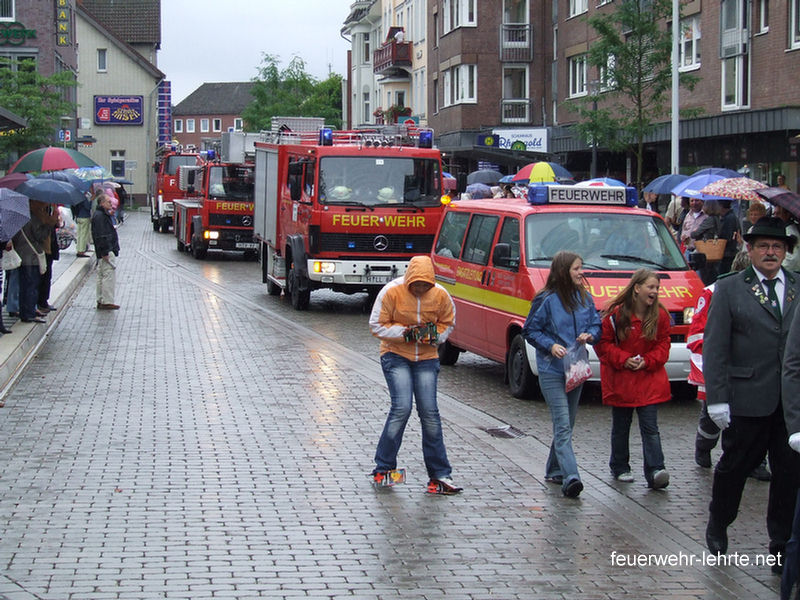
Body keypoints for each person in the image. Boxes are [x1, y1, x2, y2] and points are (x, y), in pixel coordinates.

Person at [703, 216, 800, 570]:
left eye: (777, 247)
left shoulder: (797, 286)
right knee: (734, 467)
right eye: (763, 246)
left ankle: (781, 543)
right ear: (751, 249)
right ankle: (719, 520)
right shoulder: (730, 288)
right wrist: (717, 397)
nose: (771, 253)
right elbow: (716, 348)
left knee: (789, 475)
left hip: (790, 403)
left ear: (786, 251)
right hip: (746, 398)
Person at [368, 255, 461, 494]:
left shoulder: (440, 294)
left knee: (429, 412)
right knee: (401, 408)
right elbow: (376, 325)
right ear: (409, 280)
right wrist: (406, 333)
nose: (420, 290)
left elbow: (448, 323)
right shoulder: (391, 292)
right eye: (416, 285)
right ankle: (384, 467)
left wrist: (435, 336)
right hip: (395, 355)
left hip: (427, 358)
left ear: (431, 282)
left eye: (424, 286)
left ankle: (440, 474)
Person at [522, 251, 601, 498]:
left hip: (576, 369)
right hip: (552, 370)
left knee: (567, 424)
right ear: (563, 271)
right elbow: (530, 330)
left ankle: (554, 470)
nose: (581, 273)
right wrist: (550, 345)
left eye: (581, 268)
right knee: (563, 425)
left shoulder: (585, 298)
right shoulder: (546, 299)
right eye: (576, 268)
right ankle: (571, 476)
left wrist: (590, 335)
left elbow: (596, 323)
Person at [688, 250, 773, 479]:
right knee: (712, 416)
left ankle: (753, 461)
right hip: (720, 366)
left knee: (753, 417)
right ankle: (704, 446)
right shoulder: (713, 292)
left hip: (752, 370)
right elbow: (698, 334)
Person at [594, 268, 672, 489]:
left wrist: (647, 361)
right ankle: (620, 466)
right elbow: (602, 345)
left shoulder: (661, 316)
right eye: (651, 287)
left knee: (650, 426)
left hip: (648, 379)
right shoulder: (615, 314)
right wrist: (624, 359)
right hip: (622, 380)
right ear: (637, 288)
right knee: (621, 425)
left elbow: (663, 344)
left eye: (657, 288)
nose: (655, 292)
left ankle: (656, 469)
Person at [12, 200, 49, 324]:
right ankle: (29, 314)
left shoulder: (17, 219)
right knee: (31, 286)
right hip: (31, 257)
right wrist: (48, 225)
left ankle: (25, 312)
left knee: (24, 286)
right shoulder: (33, 219)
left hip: (21, 255)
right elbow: (39, 236)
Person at [91, 193, 121, 310]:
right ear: (102, 203)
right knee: (108, 275)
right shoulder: (100, 217)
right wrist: (105, 251)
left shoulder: (101, 215)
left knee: (101, 275)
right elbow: (101, 235)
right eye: (108, 202)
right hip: (106, 251)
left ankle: (101, 299)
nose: (111, 203)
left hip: (104, 250)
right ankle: (107, 300)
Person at [35, 202, 60, 314]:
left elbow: (55, 226)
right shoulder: (38, 213)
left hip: (49, 248)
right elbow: (41, 233)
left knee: (47, 276)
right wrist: (51, 220)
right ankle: (40, 302)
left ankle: (43, 301)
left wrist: (55, 218)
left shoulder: (47, 210)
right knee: (42, 277)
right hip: (42, 250)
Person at [774, 205, 800, 272]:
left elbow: (792, 258)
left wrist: (777, 271)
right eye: (774, 213)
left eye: (778, 213)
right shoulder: (783, 229)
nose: (775, 216)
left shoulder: (791, 232)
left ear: (787, 215)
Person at [72, 192, 93, 257]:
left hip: (78, 216)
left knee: (79, 234)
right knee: (84, 235)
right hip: (85, 216)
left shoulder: (77, 197)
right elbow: (88, 207)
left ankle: (78, 249)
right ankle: (81, 251)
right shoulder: (84, 198)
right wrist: (91, 201)